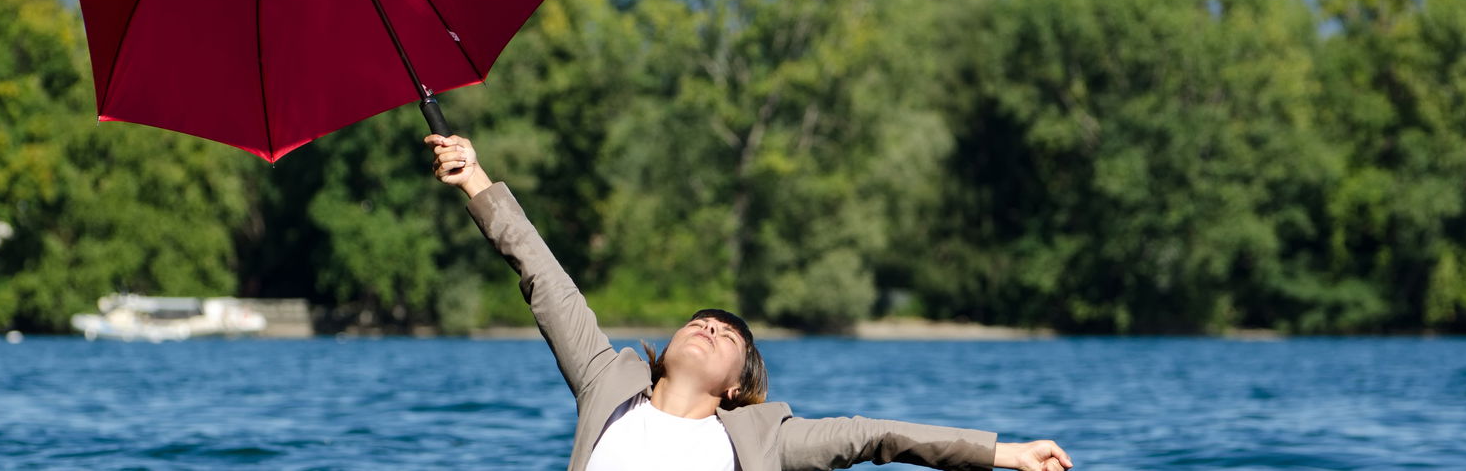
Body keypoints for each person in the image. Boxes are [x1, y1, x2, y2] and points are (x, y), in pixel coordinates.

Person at [427, 134, 1075, 471]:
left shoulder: (764, 441)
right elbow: (545, 278)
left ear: (740, 386)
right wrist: (475, 180)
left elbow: (879, 436)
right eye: (700, 322)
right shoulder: (607, 382)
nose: (708, 327)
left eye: (727, 334)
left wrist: (1002, 453)